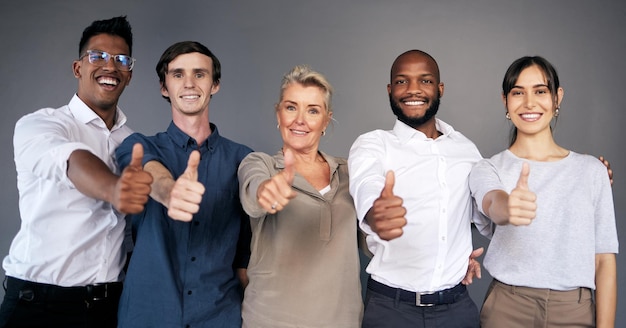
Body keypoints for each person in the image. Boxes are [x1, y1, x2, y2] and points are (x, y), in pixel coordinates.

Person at [0, 16, 153, 328]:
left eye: (121, 60)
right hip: (39, 306)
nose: (110, 66)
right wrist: (114, 189)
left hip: (108, 307)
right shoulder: (42, 124)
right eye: (97, 56)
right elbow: (71, 160)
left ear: (129, 74)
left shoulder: (133, 143)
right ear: (77, 68)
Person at [469, 56, 618, 328]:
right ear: (505, 101)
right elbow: (492, 201)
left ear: (557, 97)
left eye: (540, 91)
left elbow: (604, 260)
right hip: (508, 307)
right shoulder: (487, 168)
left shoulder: (592, 170)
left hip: (575, 311)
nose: (529, 103)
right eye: (518, 92)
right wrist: (507, 208)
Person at [115, 41, 253, 327]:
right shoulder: (138, 145)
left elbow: (245, 250)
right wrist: (169, 192)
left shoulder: (243, 159)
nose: (189, 83)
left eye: (200, 74)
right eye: (178, 74)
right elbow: (148, 170)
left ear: (215, 84)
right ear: (164, 87)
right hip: (147, 315)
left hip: (219, 315)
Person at [348, 49, 483, 328]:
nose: (413, 90)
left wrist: (457, 255)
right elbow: (367, 185)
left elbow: (481, 211)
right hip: (391, 310)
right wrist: (377, 214)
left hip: (457, 309)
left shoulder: (466, 149)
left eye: (425, 80)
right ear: (389, 89)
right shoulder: (373, 144)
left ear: (439, 88)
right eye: (401, 81)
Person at [238, 65, 363, 327]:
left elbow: (376, 241)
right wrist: (267, 192)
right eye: (291, 107)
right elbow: (254, 192)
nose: (300, 120)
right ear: (278, 113)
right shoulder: (260, 164)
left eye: (313, 110)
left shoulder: (351, 173)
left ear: (326, 120)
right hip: (270, 320)